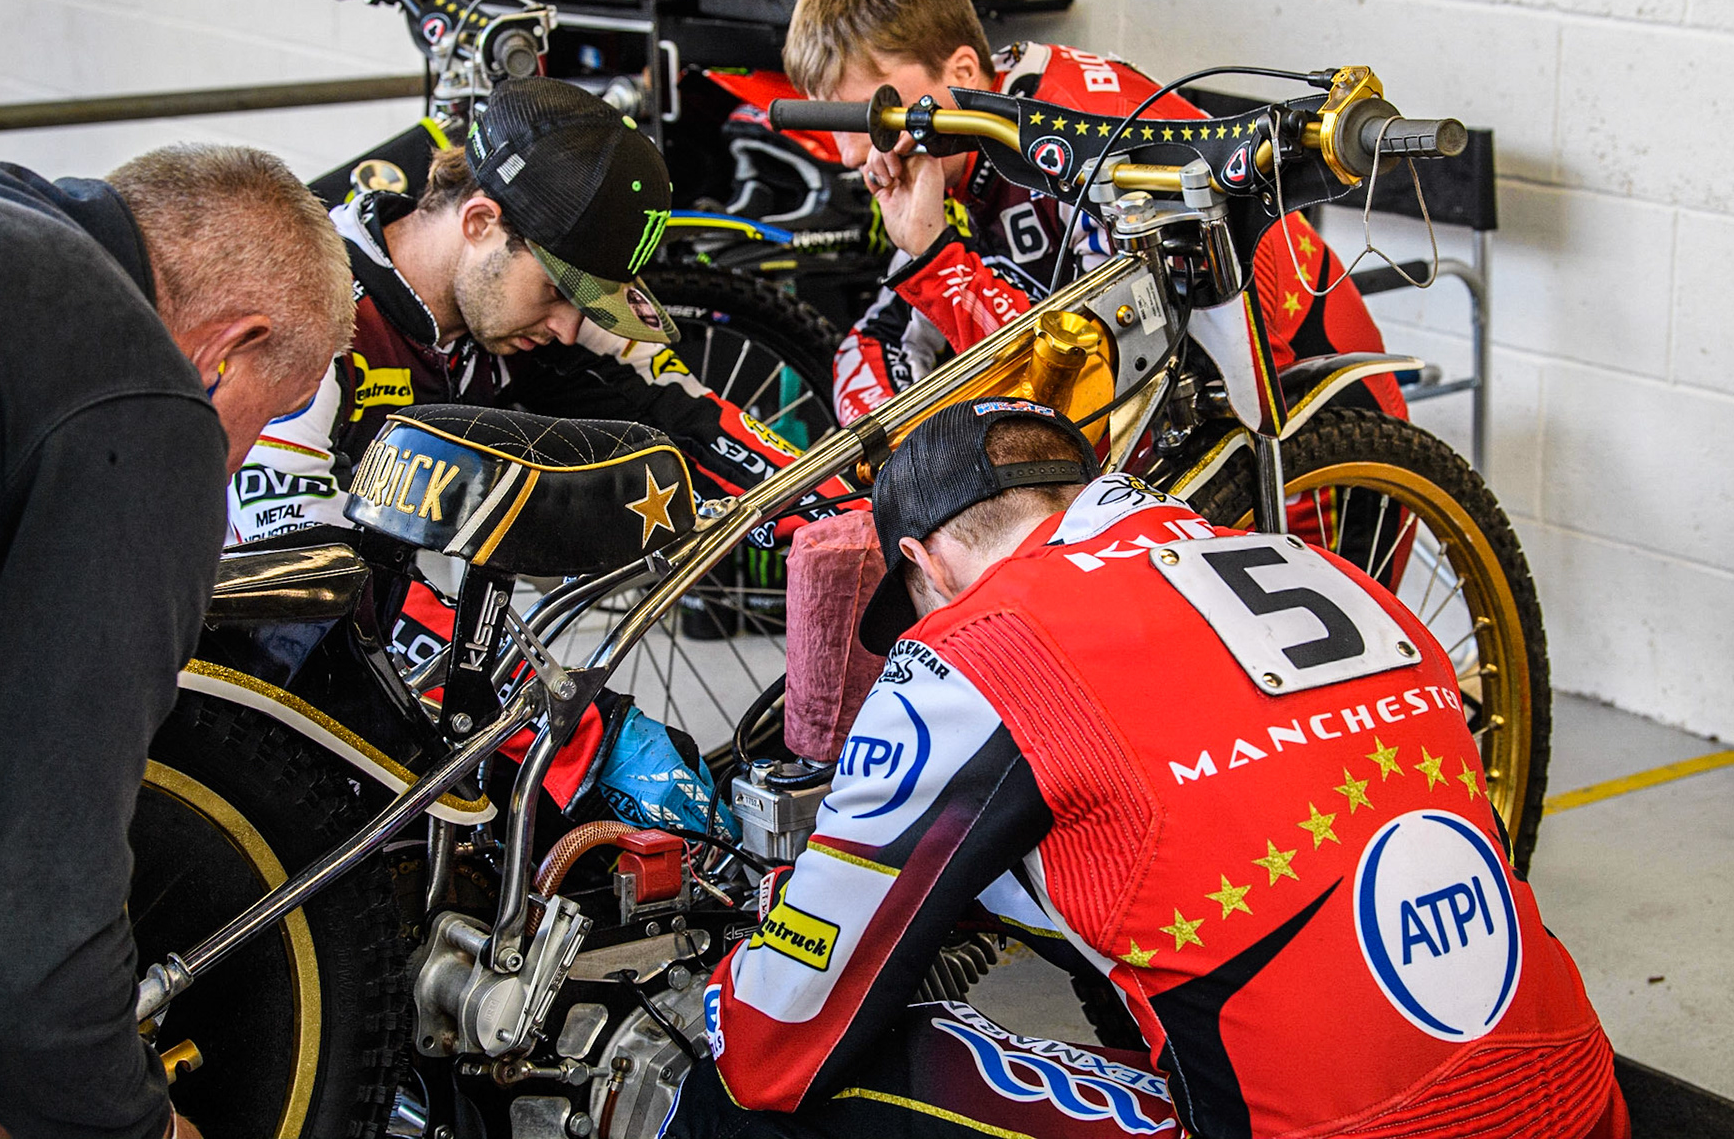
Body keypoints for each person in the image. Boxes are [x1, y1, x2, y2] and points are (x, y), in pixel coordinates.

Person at [667, 399, 1627, 1139]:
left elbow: (777, 1038)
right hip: (1578, 1096)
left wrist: (741, 975)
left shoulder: (976, 644)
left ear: (926, 563)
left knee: (746, 1066)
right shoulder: (1323, 572)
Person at [0, 145, 354, 1139]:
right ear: (226, 348)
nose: (230, 469)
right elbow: (31, 967)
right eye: (256, 426)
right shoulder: (144, 402)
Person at [780, 0, 1408, 428]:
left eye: (872, 117)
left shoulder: (1072, 130)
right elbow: (869, 352)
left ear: (961, 70)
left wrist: (938, 262)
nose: (855, 154)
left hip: (1315, 430)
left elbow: (1092, 387)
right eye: (834, 124)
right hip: (1208, 426)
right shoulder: (955, 147)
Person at [228, 74, 845, 550]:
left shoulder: (520, 314)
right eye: (558, 292)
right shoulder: (318, 315)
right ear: (479, 223)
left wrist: (856, 514)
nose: (570, 326)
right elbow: (298, 561)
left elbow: (692, 423)